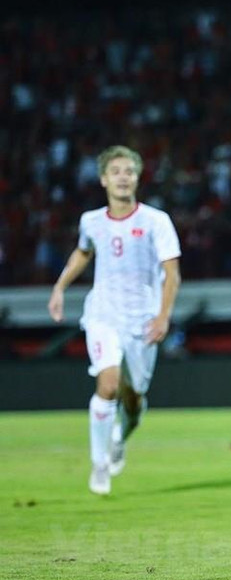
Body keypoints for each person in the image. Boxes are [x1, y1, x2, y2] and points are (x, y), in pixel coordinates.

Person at [47, 145, 181, 495]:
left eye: (130, 171)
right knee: (107, 384)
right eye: (116, 171)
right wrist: (60, 287)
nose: (123, 177)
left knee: (133, 398)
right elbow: (84, 250)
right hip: (103, 315)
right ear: (104, 179)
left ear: (137, 178)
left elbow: (172, 274)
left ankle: (123, 434)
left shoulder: (156, 221)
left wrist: (164, 316)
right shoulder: (91, 221)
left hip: (143, 321)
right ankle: (100, 464)